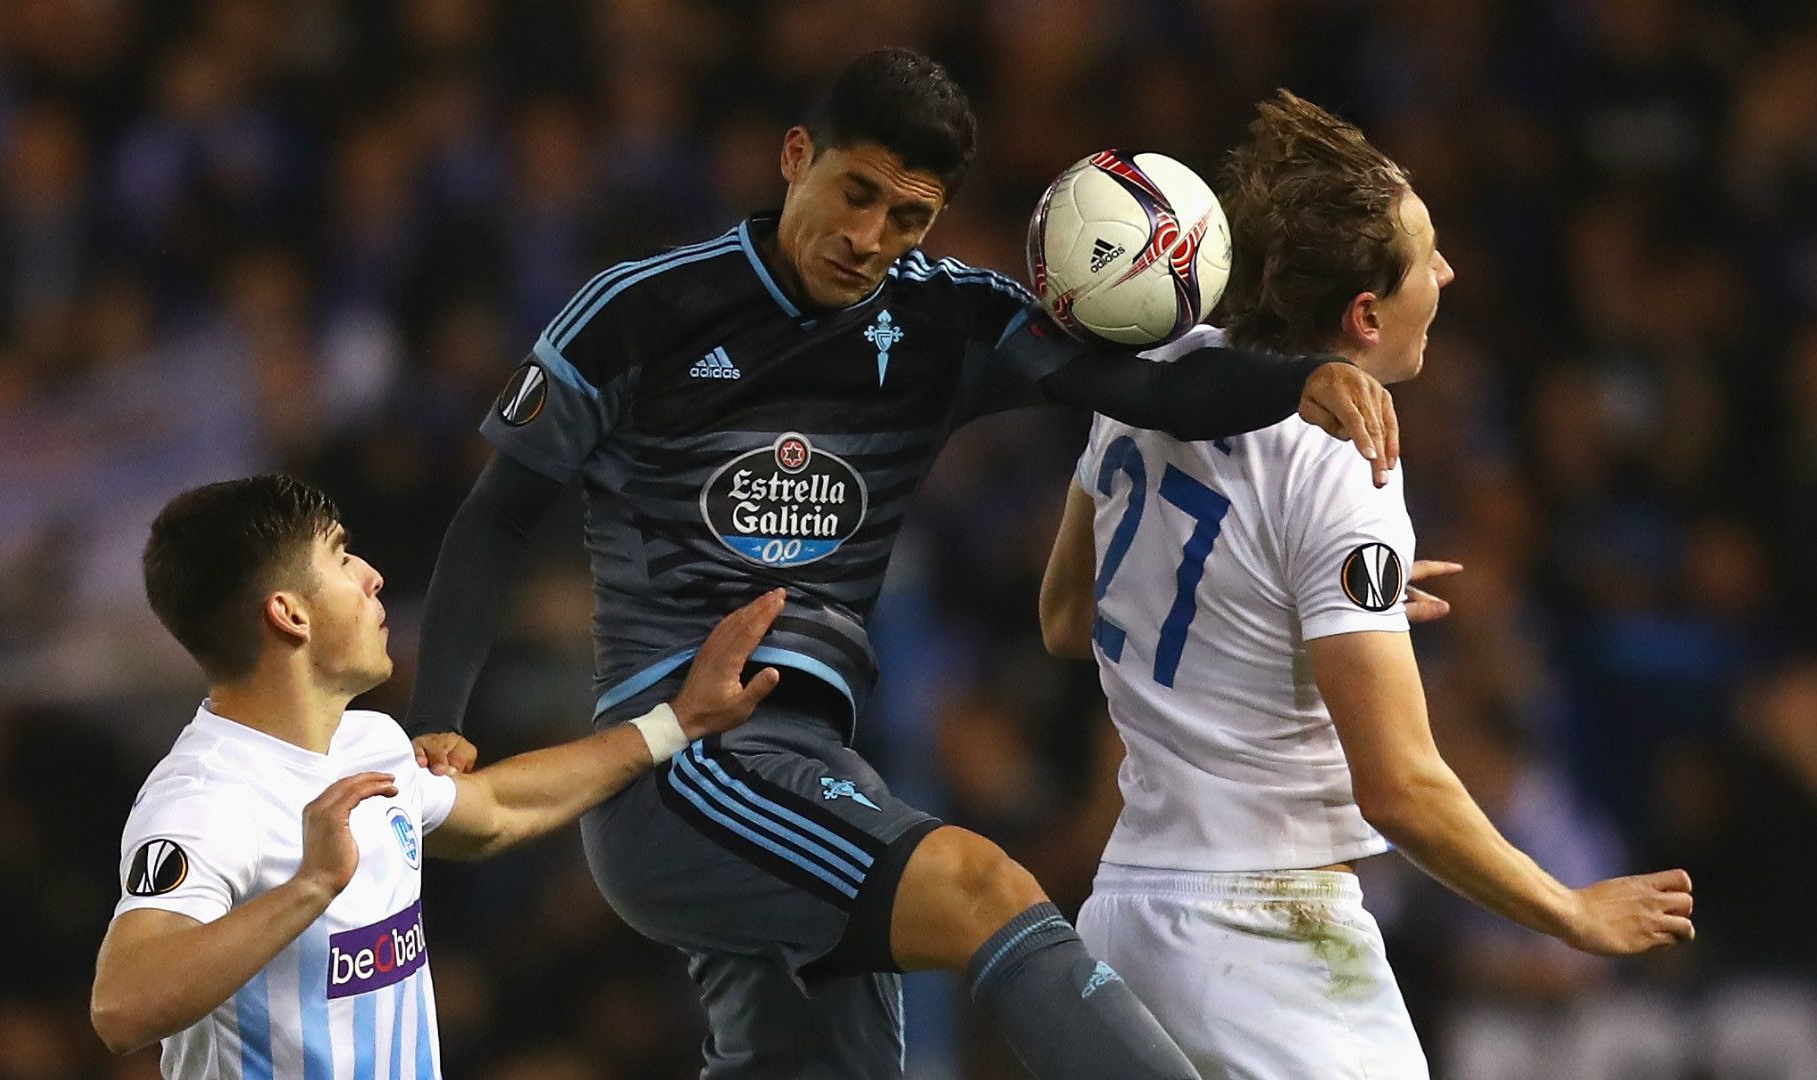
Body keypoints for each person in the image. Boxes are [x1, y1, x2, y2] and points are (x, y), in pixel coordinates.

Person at [403, 49, 1401, 1080]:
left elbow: (1147, 392)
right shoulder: (641, 310)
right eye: (856, 194)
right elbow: (493, 521)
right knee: (984, 889)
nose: (868, 238)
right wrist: (439, 715)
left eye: (908, 218)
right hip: (684, 767)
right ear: (798, 157)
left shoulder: (945, 319)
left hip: (819, 769)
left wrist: (1302, 380)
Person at [1037, 91, 1695, 1079]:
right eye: (1427, 256)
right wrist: (1568, 912)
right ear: (1365, 314)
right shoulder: (1343, 463)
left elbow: (1063, 619)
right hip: (1265, 940)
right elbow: (1400, 786)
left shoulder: (1156, 374)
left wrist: (1296, 600)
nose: (1449, 271)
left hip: (1125, 922)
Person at [89, 474, 786, 1078]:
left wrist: (679, 722)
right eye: (338, 555)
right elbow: (122, 1007)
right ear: (290, 613)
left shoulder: (370, 744)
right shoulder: (206, 798)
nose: (371, 575)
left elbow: (498, 810)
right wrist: (309, 887)